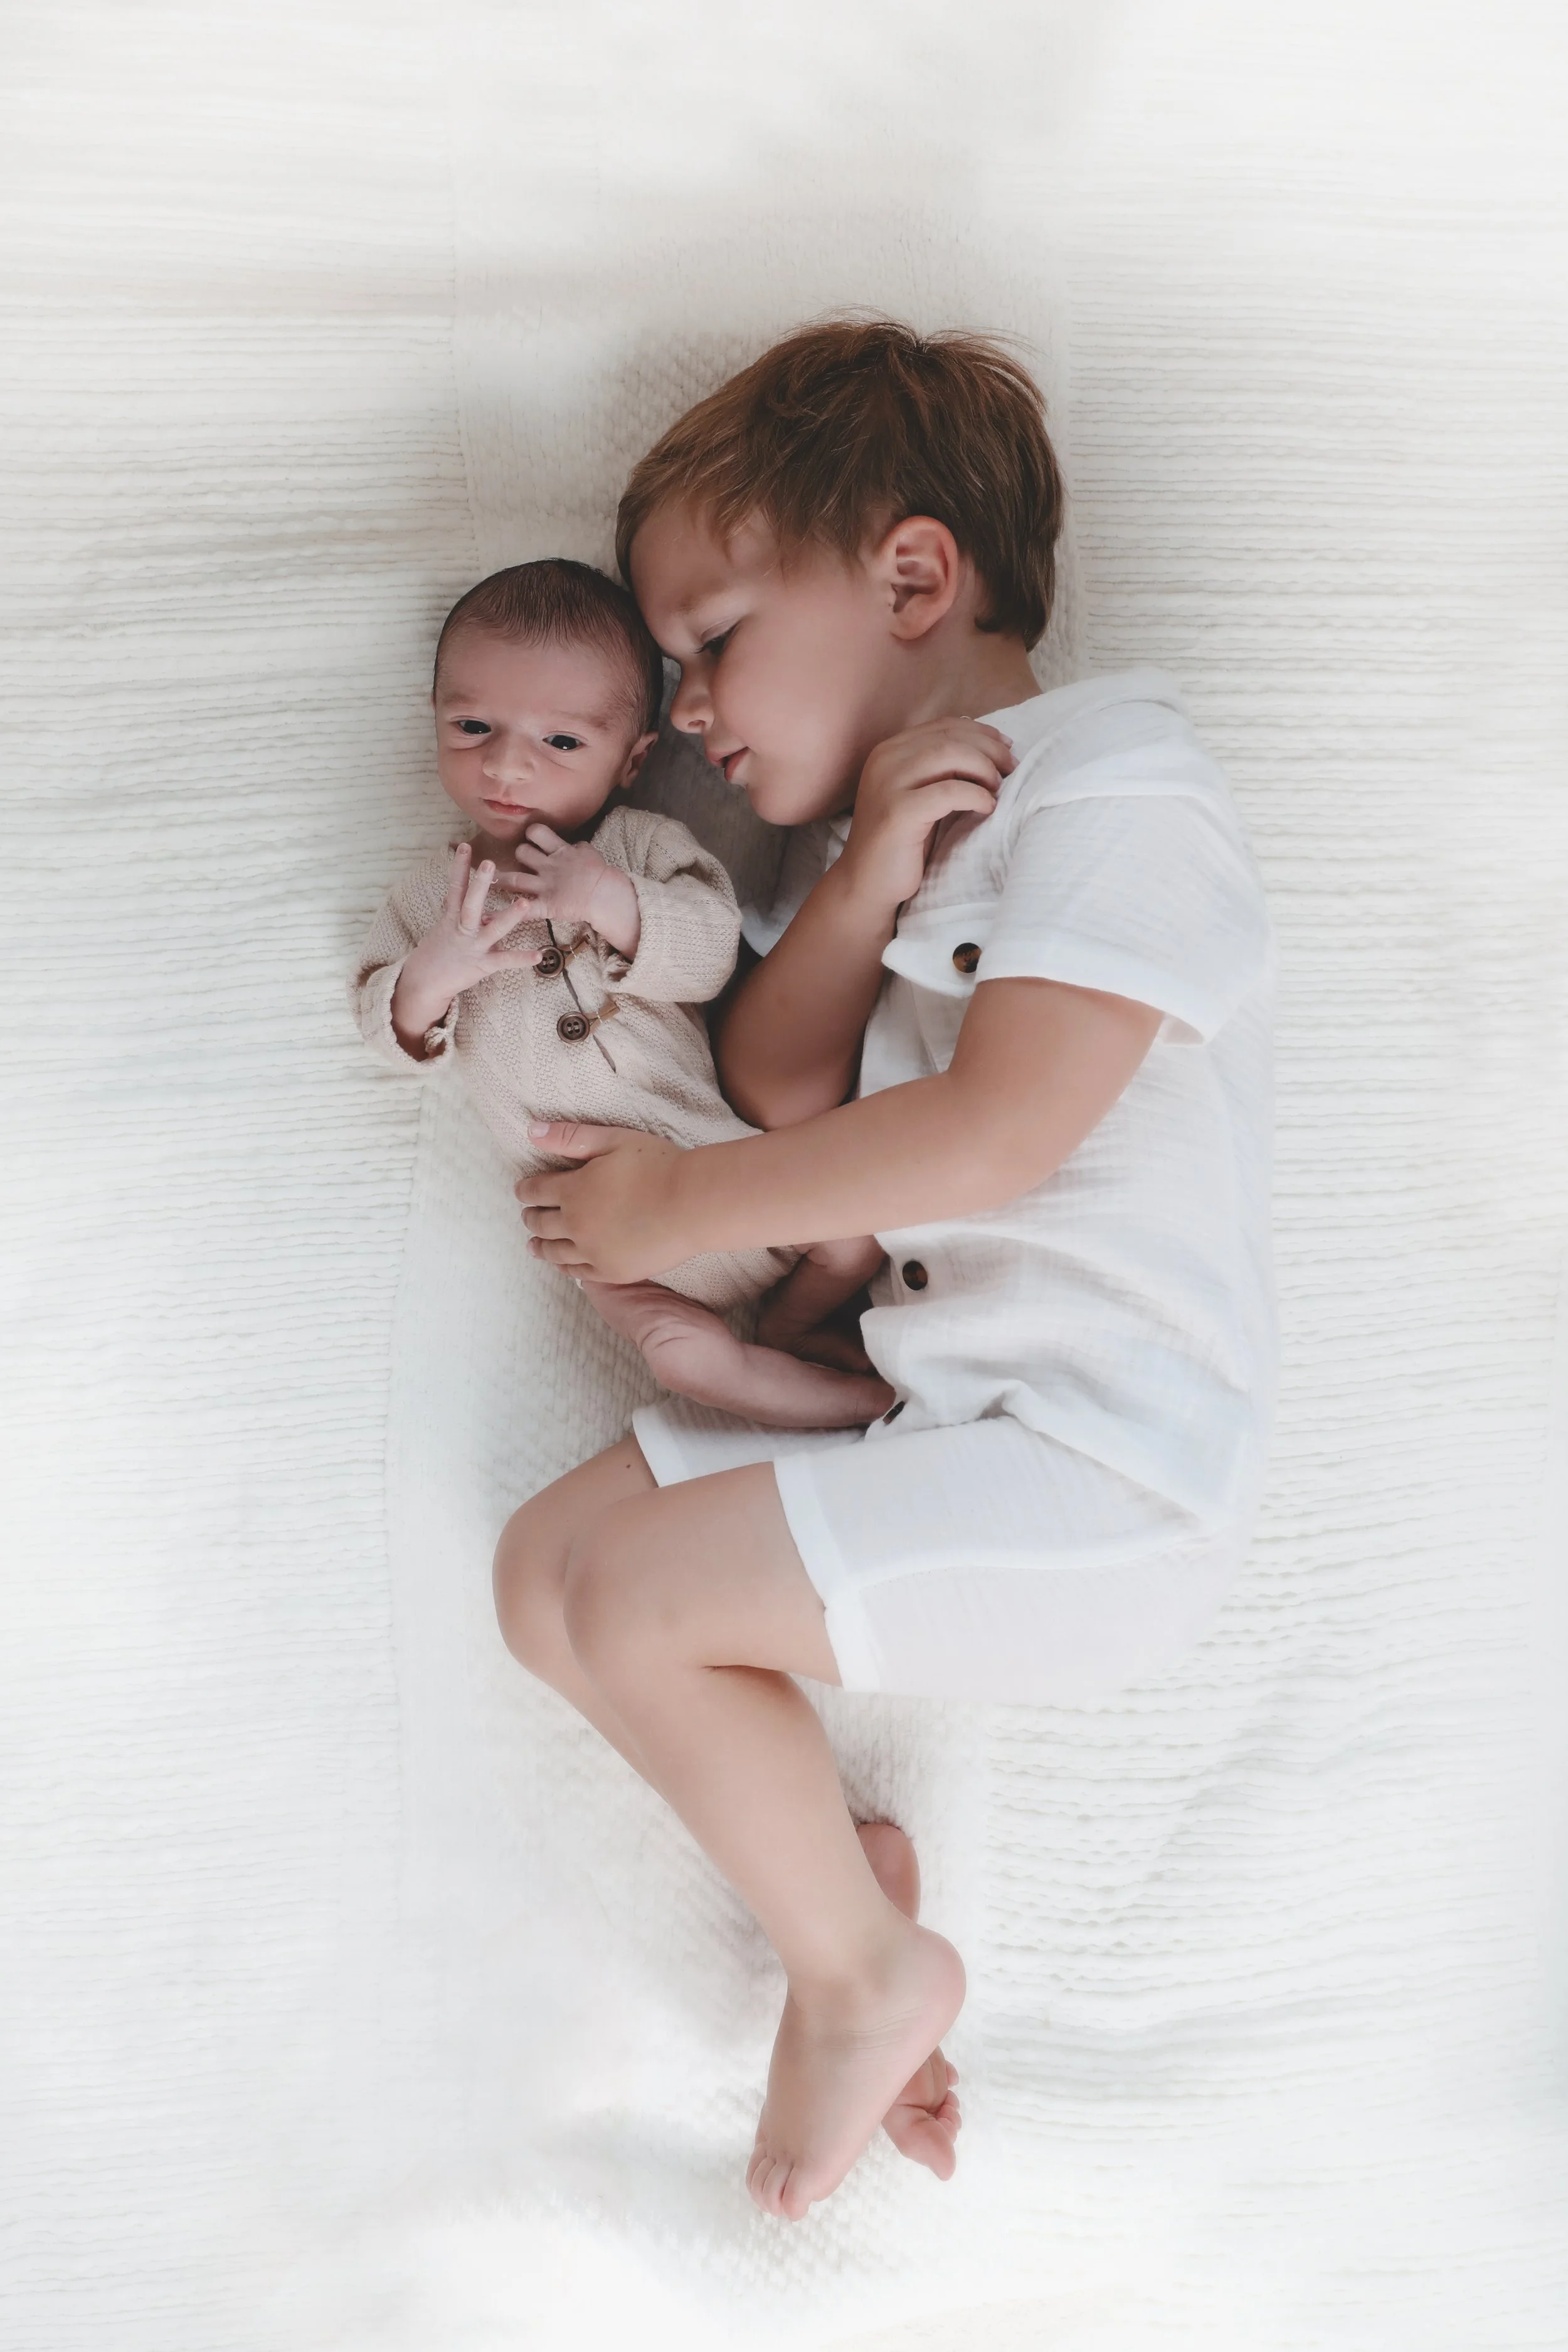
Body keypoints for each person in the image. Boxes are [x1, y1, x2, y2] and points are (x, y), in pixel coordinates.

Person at [492, 321, 1276, 2222]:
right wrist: (850, 887)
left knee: (643, 1595)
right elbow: (783, 1067)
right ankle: (840, 1895)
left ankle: (862, 1971)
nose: (681, 711)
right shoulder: (867, 843)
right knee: (543, 1578)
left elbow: (1002, 1130)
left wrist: (683, 1209)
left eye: (711, 640)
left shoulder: (1118, 780)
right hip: (954, 1427)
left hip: (1105, 1474)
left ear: (911, 577)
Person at [352, 557, 889, 1428]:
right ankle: (806, 1391)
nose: (506, 765)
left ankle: (794, 1325)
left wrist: (614, 902)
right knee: (670, 1342)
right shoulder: (431, 898)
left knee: (851, 1234)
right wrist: (433, 975)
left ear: (634, 759)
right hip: (592, 1226)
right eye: (473, 724)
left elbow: (714, 950)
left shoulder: (640, 848)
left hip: (716, 1160)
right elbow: (387, 1026)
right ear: (435, 721)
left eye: (560, 742)